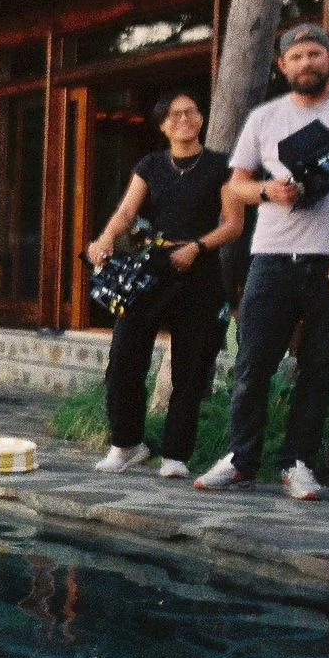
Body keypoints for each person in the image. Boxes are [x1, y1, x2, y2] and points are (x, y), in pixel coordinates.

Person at [196, 24, 329, 499]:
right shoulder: (265, 118)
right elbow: (236, 185)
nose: (306, 62)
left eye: (314, 53)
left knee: (319, 368)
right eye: (297, 56)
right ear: (282, 66)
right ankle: (241, 458)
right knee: (251, 366)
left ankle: (298, 463)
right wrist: (269, 190)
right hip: (271, 259)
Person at [81, 89, 243, 479]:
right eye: (172, 115)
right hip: (153, 268)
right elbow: (125, 212)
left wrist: (198, 246)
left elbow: (233, 224)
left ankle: (176, 455)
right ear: (162, 125)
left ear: (201, 118)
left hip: (199, 269)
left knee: (191, 364)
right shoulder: (150, 165)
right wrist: (103, 239)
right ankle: (127, 443)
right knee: (124, 358)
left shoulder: (222, 165)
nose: (182, 119)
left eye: (189, 112)